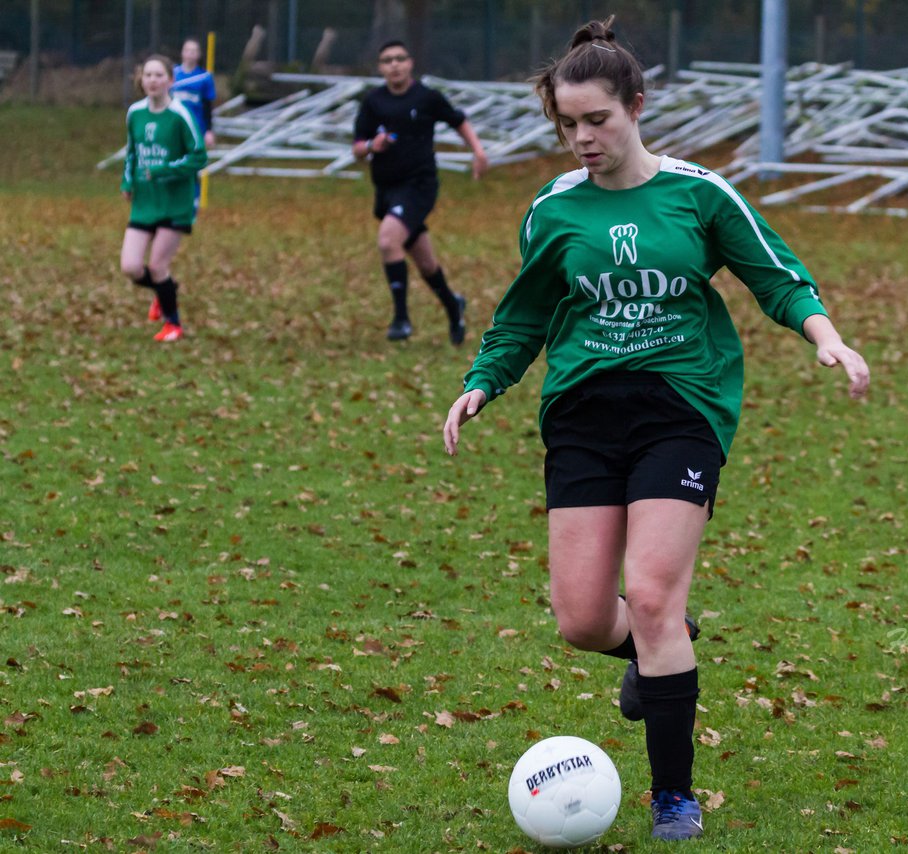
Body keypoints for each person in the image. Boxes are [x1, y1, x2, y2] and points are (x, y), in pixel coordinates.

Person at [441, 17, 870, 841]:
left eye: (597, 120)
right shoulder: (553, 212)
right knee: (580, 620)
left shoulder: (699, 194)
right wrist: (481, 384)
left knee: (651, 595)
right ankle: (656, 646)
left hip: (681, 406)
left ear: (637, 105)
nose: (582, 139)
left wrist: (828, 338)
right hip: (582, 413)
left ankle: (672, 794)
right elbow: (525, 315)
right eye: (568, 125)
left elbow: (777, 277)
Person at [352, 39, 489, 343]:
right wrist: (373, 145)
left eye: (400, 58)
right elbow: (357, 148)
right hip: (387, 190)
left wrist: (478, 152)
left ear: (410, 62)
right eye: (387, 60)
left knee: (389, 241)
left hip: (419, 186)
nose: (394, 65)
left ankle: (401, 319)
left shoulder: (427, 97)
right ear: (380, 67)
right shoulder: (373, 102)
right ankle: (454, 305)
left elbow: (459, 120)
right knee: (425, 263)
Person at [120, 55, 208, 342]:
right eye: (148, 75)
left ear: (171, 80)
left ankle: (174, 324)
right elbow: (132, 151)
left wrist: (164, 170)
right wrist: (127, 180)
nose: (153, 80)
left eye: (159, 75)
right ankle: (164, 289)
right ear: (141, 79)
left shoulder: (181, 114)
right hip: (145, 201)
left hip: (175, 201)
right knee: (131, 267)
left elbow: (199, 157)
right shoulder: (135, 113)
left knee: (158, 266)